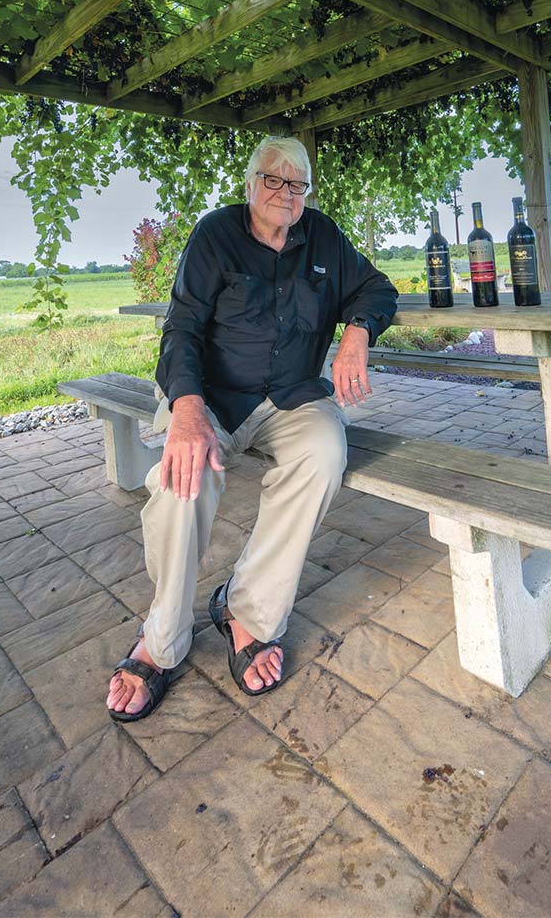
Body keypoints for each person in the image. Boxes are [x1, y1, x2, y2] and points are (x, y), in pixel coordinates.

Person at [106, 135, 398, 719]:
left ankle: (248, 613)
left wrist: (357, 333)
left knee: (323, 451)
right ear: (250, 184)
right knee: (180, 481)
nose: (286, 194)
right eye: (274, 180)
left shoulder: (323, 237)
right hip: (210, 397)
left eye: (298, 184)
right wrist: (186, 411)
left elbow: (377, 289)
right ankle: (161, 642)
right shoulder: (216, 234)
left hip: (289, 398)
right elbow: (181, 328)